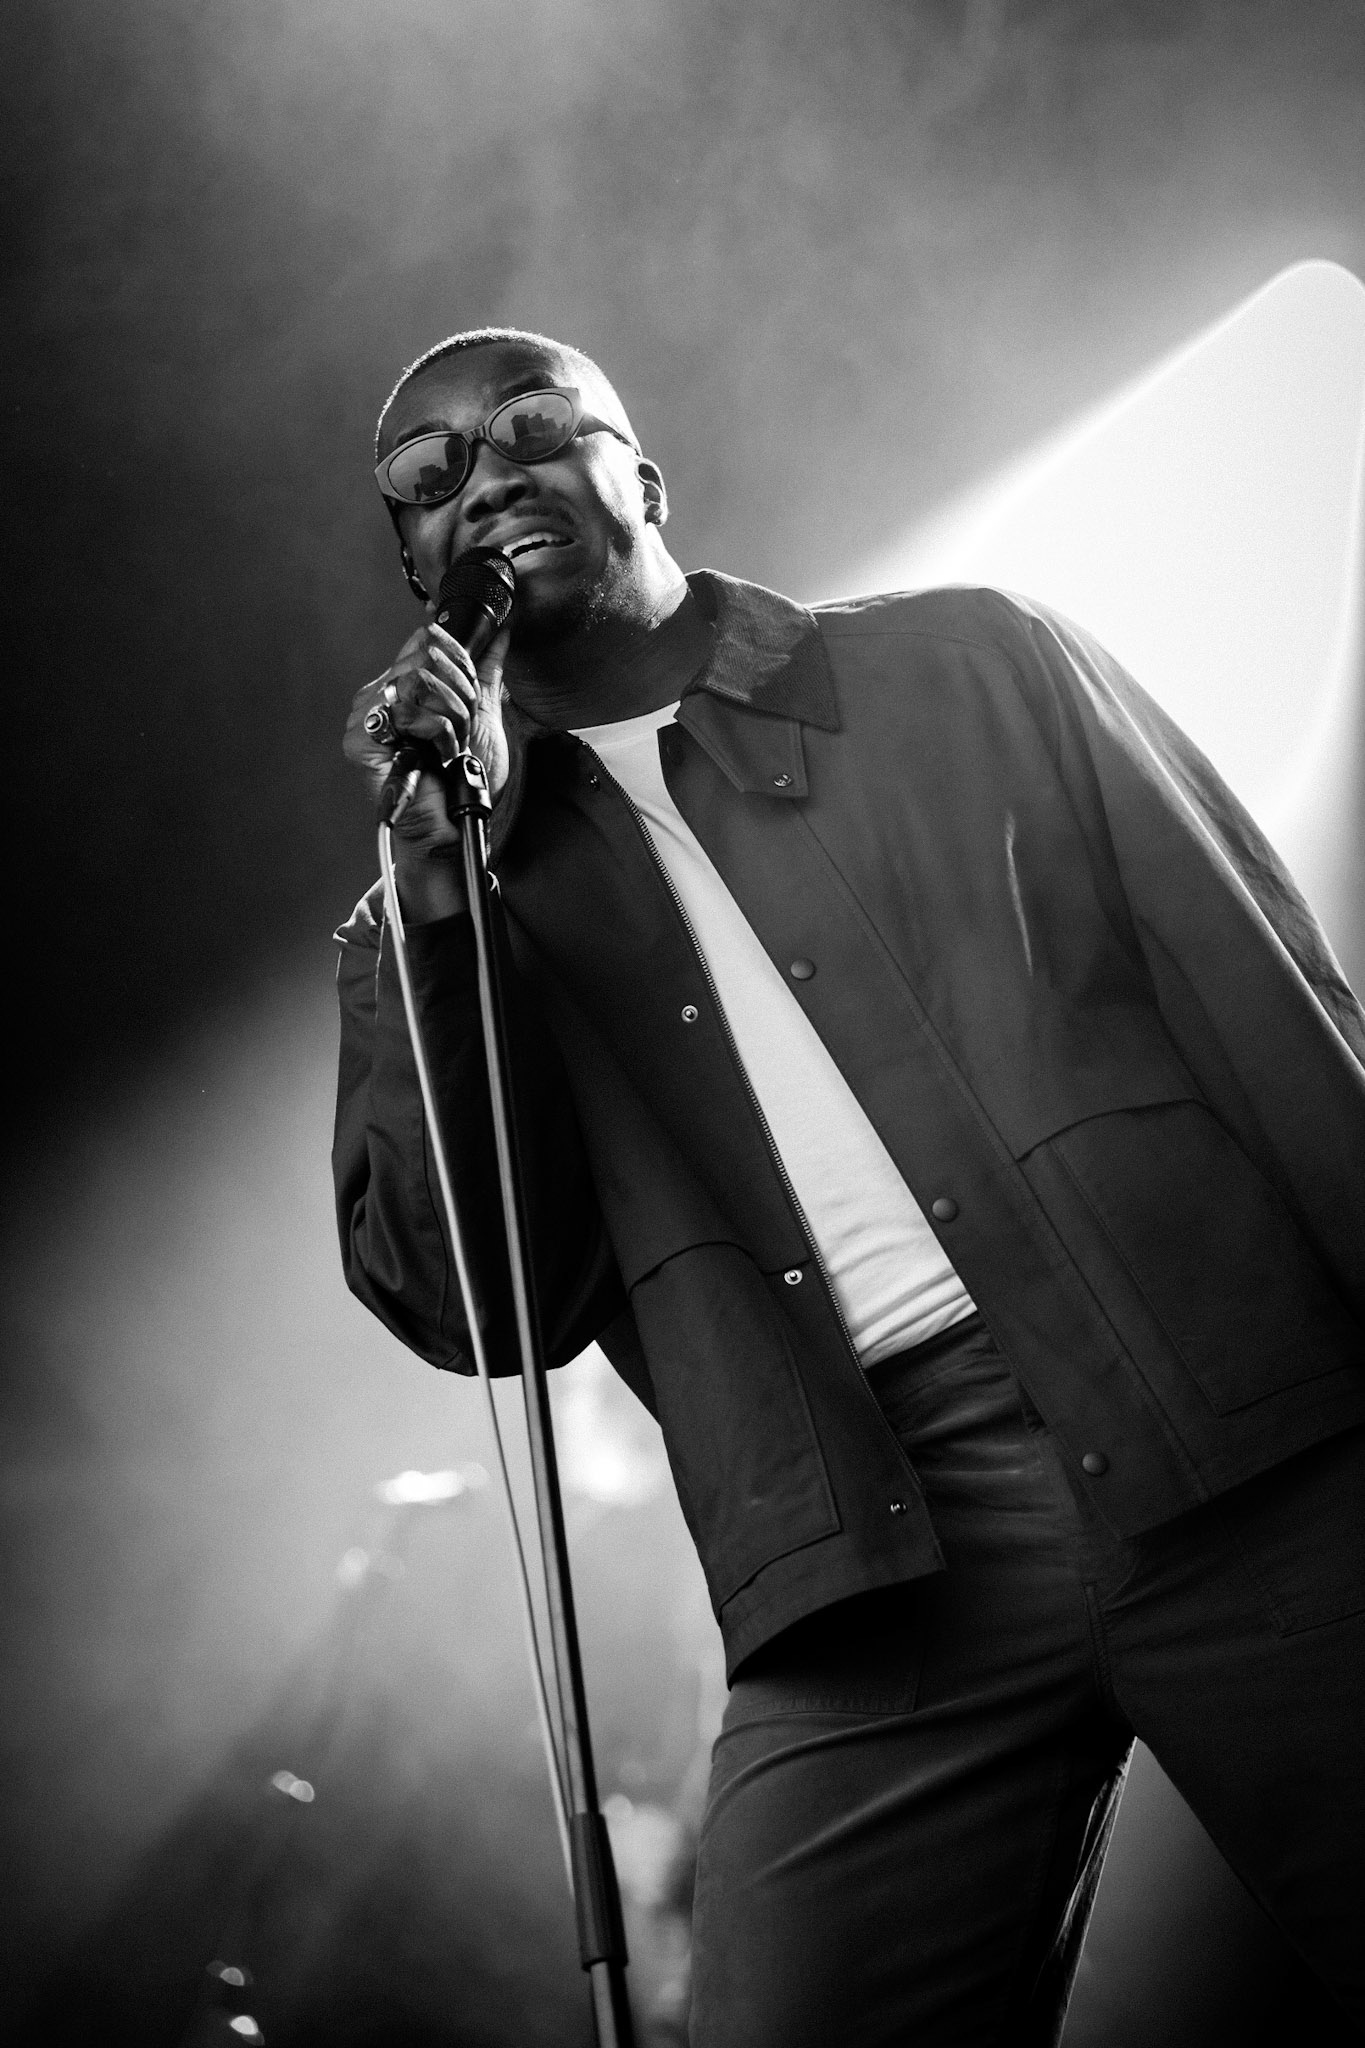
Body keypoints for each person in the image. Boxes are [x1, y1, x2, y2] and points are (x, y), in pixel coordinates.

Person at [334, 325, 1365, 2045]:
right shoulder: (441, 901)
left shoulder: (969, 666)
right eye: (427, 481)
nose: (484, 477)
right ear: (420, 575)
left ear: (638, 478)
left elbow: (1271, 1011)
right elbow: (471, 1305)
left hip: (1229, 1426)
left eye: (528, 427)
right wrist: (443, 911)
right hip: (875, 1562)